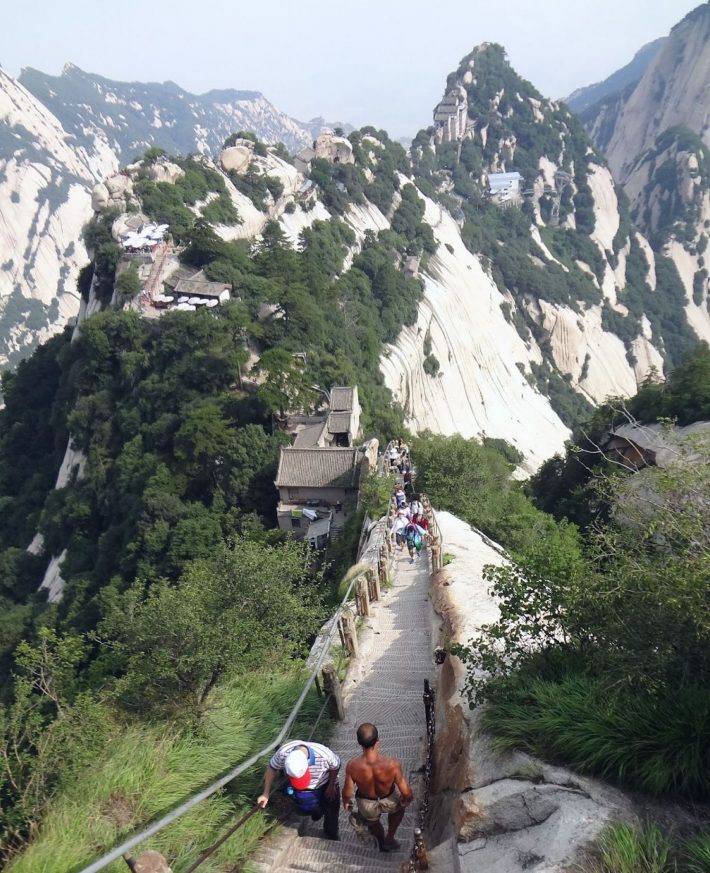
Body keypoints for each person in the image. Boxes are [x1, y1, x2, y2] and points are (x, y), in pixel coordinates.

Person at [343, 723, 413, 852]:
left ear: (359, 743)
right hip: (389, 798)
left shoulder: (352, 766)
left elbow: (347, 792)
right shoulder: (392, 764)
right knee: (399, 810)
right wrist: (407, 798)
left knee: (373, 822)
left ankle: (381, 842)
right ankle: (390, 838)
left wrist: (346, 802)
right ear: (378, 740)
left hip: (367, 803)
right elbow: (405, 790)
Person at [257, 739, 341, 839]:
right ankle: (317, 811)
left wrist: (331, 786)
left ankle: (331, 833)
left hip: (325, 783)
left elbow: (335, 766)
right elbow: (272, 768)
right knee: (305, 808)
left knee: (331, 811)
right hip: (304, 791)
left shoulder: (325, 755)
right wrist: (265, 793)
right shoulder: (283, 753)